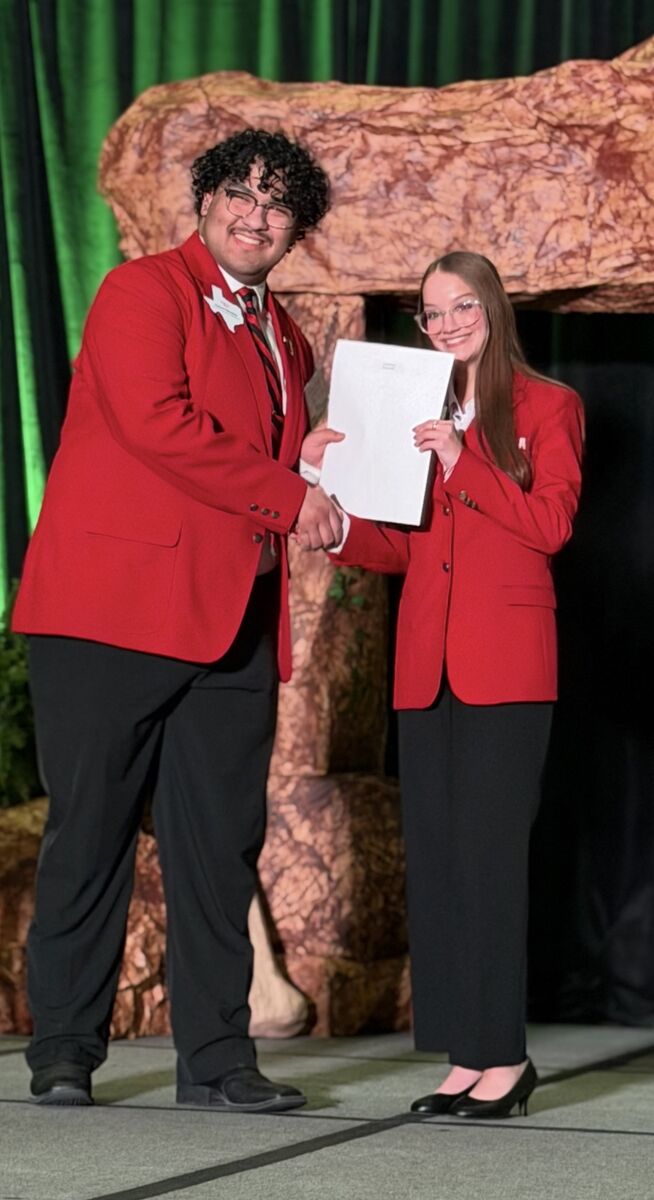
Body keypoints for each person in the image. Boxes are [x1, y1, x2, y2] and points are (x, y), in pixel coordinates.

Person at [12, 127, 344, 1111]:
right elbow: (161, 424)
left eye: (278, 205)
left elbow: (262, 451)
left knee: (219, 849)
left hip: (231, 619)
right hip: (110, 613)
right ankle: (64, 1053)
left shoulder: (285, 335)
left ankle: (218, 1061)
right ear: (204, 202)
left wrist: (316, 459)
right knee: (92, 834)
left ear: (296, 230)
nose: (256, 215)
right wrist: (289, 494)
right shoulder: (142, 292)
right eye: (240, 194)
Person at [314, 251, 584, 1118]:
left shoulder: (549, 404)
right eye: (431, 313)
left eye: (461, 305)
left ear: (493, 307)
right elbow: (405, 545)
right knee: (437, 863)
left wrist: (464, 460)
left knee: (490, 861)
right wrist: (333, 517)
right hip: (424, 665)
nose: (446, 324)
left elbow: (551, 525)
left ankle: (505, 1058)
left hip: (507, 665)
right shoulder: (414, 410)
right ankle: (465, 1056)